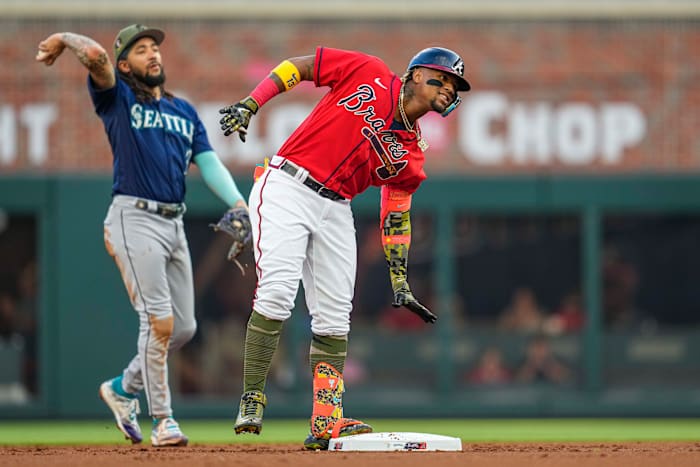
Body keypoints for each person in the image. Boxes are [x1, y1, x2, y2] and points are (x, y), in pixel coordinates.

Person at [218, 46, 471, 449]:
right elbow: (299, 67)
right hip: (288, 183)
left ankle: (326, 421)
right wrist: (253, 101)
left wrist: (399, 278)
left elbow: (396, 213)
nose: (450, 89)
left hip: (336, 206)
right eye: (446, 80)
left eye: (456, 86)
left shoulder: (411, 152)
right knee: (278, 292)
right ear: (419, 75)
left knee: (336, 315)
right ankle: (252, 396)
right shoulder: (369, 70)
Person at [36, 24, 249, 447]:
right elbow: (96, 56)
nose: (152, 55)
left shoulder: (184, 112)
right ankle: (164, 421)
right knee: (158, 321)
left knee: (184, 327)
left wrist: (238, 203)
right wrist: (63, 38)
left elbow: (208, 163)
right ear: (124, 64)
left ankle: (122, 387)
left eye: (155, 48)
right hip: (134, 217)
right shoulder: (118, 98)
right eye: (140, 50)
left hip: (173, 223)